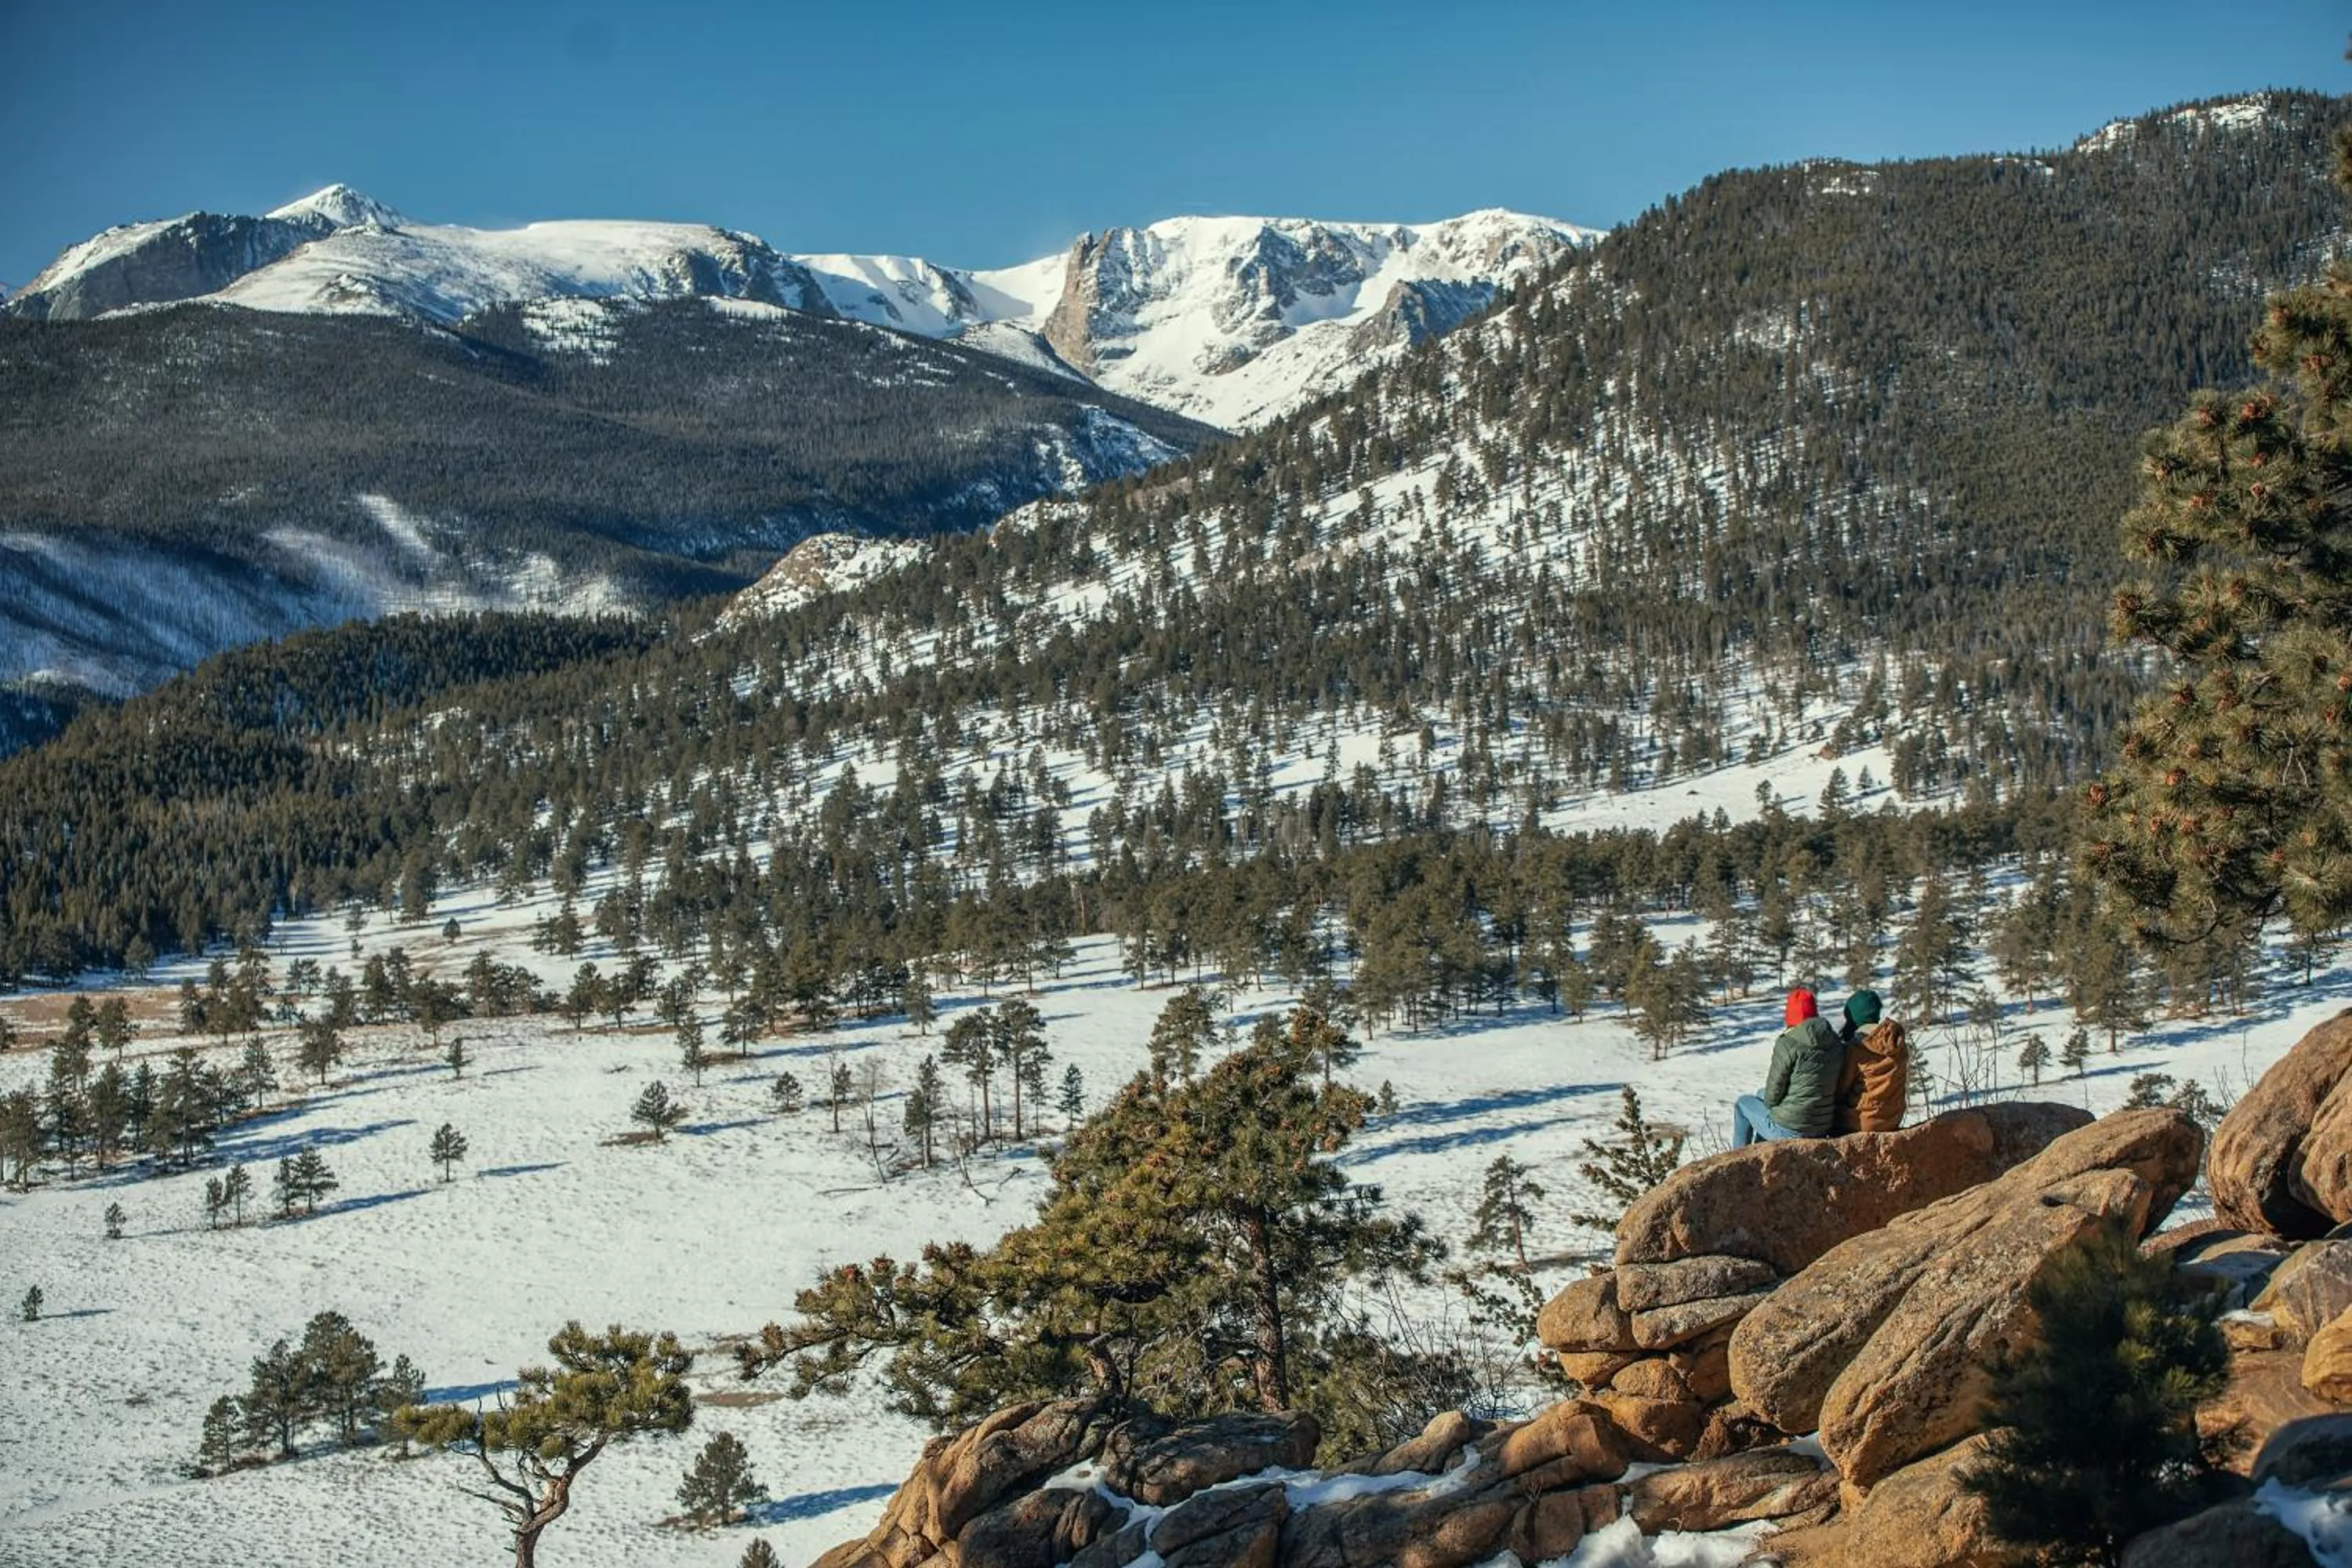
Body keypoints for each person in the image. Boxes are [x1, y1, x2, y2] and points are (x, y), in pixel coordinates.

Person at [1733, 989, 1846, 1146]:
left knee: (1743, 1104)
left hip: (1789, 1130)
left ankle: (1740, 1158)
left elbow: (1773, 1094)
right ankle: (1762, 1149)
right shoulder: (1834, 1041)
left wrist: (1776, 1111)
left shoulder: (1788, 1043)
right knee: (1760, 1094)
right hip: (1822, 1126)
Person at [1832, 989, 1909, 1134]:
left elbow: (1841, 1089)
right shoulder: (1897, 1043)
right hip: (1893, 1119)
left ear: (1853, 1017)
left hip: (1861, 1122)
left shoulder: (1856, 1049)